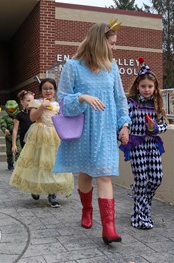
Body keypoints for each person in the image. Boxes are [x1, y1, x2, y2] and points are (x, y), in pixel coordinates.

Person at [53, 20, 131, 244]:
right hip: (83, 129)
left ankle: (109, 228)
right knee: (86, 174)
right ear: (100, 42)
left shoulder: (112, 68)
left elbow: (119, 99)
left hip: (105, 130)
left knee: (105, 175)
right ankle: (87, 211)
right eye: (112, 44)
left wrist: (123, 124)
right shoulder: (72, 66)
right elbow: (63, 100)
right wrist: (82, 97)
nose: (115, 48)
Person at [10, 78, 74, 207]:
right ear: (41, 91)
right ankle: (36, 188)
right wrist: (41, 106)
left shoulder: (58, 104)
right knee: (37, 162)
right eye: (45, 88)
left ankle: (52, 194)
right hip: (39, 134)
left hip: (54, 136)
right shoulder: (35, 102)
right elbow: (33, 117)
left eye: (50, 88)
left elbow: (62, 119)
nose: (48, 91)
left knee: (53, 164)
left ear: (55, 90)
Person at [119, 57, 167, 230]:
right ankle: (139, 215)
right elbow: (123, 120)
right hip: (137, 144)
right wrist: (123, 131)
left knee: (156, 178)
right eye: (143, 86)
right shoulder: (131, 104)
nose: (147, 90)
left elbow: (164, 124)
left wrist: (155, 128)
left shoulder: (157, 105)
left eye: (150, 86)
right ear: (137, 87)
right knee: (140, 179)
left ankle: (142, 200)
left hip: (152, 144)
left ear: (155, 88)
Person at [0, 100, 21, 171]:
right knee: (9, 152)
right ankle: (10, 164)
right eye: (10, 109)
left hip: (18, 137)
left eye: (13, 109)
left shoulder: (19, 116)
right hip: (9, 137)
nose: (11, 111)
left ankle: (19, 164)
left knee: (18, 151)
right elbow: (3, 124)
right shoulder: (5, 118)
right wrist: (4, 129)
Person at [12, 90, 34, 154]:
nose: (31, 103)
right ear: (22, 102)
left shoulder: (35, 113)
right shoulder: (19, 115)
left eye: (32, 101)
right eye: (28, 101)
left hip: (35, 139)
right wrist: (14, 144)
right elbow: (15, 130)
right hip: (24, 140)